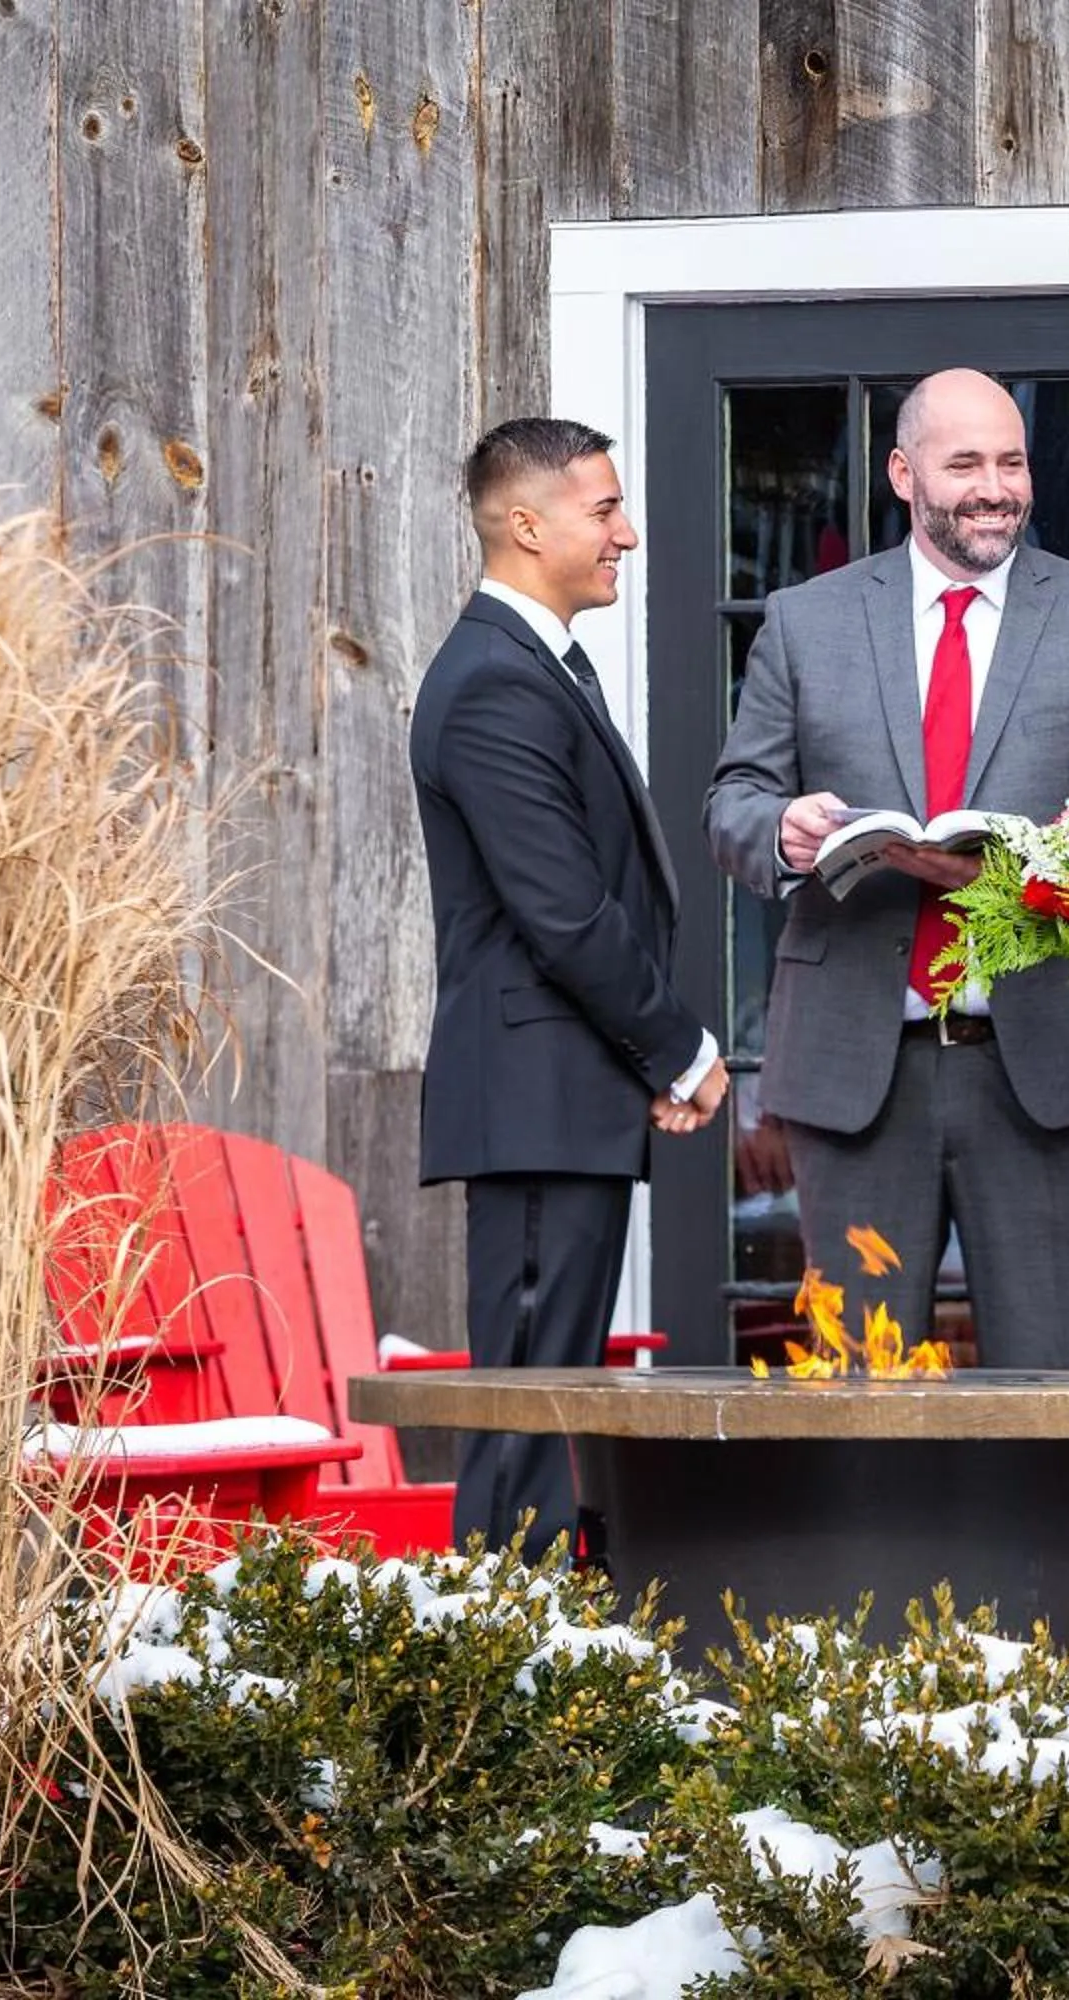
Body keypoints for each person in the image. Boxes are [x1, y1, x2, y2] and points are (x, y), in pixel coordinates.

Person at [705, 370, 1069, 1367]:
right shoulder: (807, 620)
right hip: (854, 1070)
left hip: (1045, 1062)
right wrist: (783, 828)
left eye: (1011, 461)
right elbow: (733, 804)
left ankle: (1044, 1538)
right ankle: (866, 1536)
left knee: (1054, 1394)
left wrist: (1027, 871)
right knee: (858, 1389)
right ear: (902, 471)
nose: (995, 485)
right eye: (965, 462)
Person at [410, 416, 725, 1562]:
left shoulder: (532, 663)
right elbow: (562, 912)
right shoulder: (496, 681)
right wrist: (679, 1048)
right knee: (526, 1405)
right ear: (528, 522)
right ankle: (500, 1653)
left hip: (561, 1094)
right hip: (535, 1099)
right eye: (604, 510)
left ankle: (524, 1638)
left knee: (547, 1390)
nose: (627, 534)